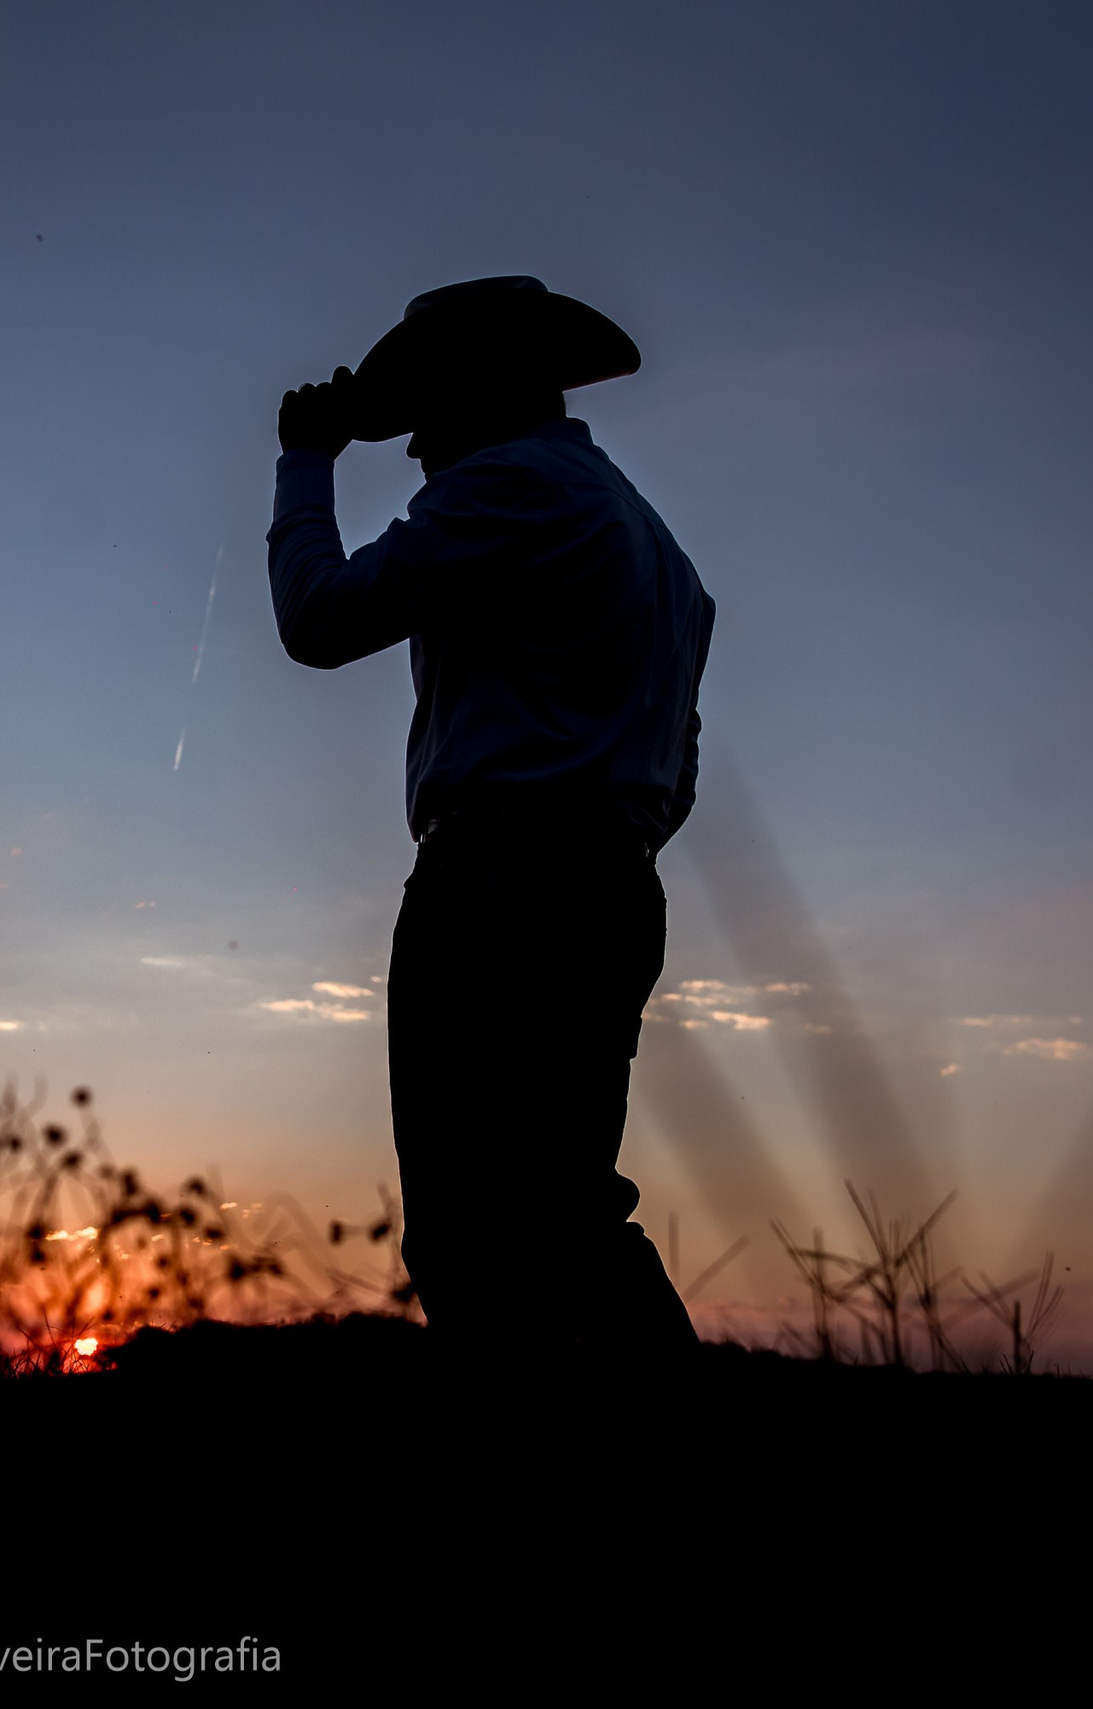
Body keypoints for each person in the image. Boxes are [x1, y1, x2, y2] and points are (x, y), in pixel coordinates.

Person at [267, 277, 715, 1367]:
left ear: (480, 390)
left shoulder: (509, 486)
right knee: (565, 1209)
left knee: (473, 1227)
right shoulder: (658, 547)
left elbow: (319, 619)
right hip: (614, 887)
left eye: (426, 410)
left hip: (498, 883)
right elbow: (680, 764)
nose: (417, 446)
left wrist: (306, 461)